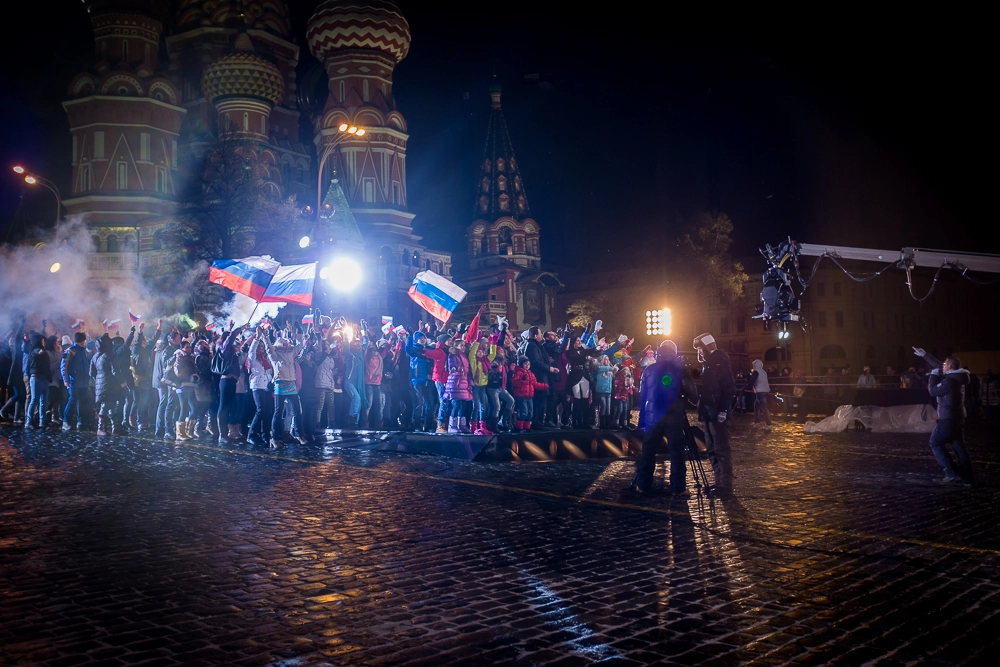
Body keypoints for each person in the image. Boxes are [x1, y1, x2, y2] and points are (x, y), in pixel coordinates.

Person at [629, 339, 694, 495]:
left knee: (648, 451)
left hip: (652, 417)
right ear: (674, 353)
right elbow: (693, 393)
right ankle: (678, 488)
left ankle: (643, 485)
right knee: (676, 452)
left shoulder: (649, 370)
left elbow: (642, 395)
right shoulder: (680, 370)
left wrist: (642, 419)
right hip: (674, 416)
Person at [915, 348, 974, 486]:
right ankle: (968, 479)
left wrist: (933, 376)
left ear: (950, 367)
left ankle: (951, 472)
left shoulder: (949, 381)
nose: (942, 365)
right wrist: (925, 355)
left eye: (945, 364)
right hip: (958, 418)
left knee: (935, 442)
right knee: (960, 449)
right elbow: (939, 365)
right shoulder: (958, 376)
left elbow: (933, 391)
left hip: (948, 418)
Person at [693, 332, 736, 495]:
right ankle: (719, 482)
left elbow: (729, 388)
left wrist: (723, 410)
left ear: (707, 347)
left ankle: (725, 486)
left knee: (721, 449)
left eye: (700, 348)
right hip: (709, 412)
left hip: (717, 412)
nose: (698, 352)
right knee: (711, 449)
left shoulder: (720, 361)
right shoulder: (709, 363)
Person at [60, 331, 91, 430]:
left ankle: (80, 421)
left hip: (83, 382)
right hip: (74, 381)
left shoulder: (83, 351)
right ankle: (66, 421)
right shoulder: (70, 351)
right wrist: (66, 380)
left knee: (82, 402)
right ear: (83, 340)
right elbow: (64, 366)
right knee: (72, 401)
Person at [511, 355, 547, 432]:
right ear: (521, 364)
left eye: (528, 364)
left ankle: (527, 426)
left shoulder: (531, 374)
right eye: (525, 364)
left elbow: (535, 384)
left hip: (529, 396)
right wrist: (522, 380)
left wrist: (544, 386)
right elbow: (514, 383)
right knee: (524, 412)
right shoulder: (519, 373)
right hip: (521, 396)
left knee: (530, 412)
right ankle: (519, 427)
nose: (527, 366)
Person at [747, 359, 772, 430]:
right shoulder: (763, 372)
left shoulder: (756, 372)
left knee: (764, 408)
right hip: (765, 390)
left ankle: (769, 424)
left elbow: (752, 381)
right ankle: (756, 422)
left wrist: (746, 387)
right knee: (757, 406)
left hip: (760, 391)